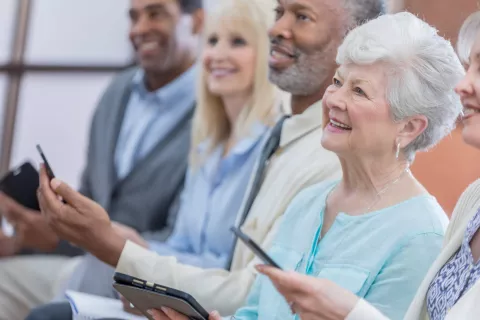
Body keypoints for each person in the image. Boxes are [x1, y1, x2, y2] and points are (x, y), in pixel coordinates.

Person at [35, 0, 387, 316]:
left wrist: (118, 247)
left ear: (353, 44)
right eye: (279, 12)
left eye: (302, 16)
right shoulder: (274, 139)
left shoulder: (328, 157)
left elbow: (255, 291)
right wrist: (117, 241)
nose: (277, 28)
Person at [25, 0, 281, 318]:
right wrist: (122, 239)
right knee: (69, 295)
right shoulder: (207, 148)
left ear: (269, 55)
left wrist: (134, 252)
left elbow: (234, 272)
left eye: (238, 42)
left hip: (210, 302)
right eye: (213, 41)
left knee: (54, 312)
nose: (217, 55)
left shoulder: (272, 150)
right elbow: (180, 243)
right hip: (171, 287)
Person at [257, 10, 480, 320]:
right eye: (337, 81)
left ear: (409, 128)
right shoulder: (308, 201)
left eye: (358, 91)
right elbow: (254, 312)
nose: (334, 99)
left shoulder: (420, 237)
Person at [0, 0, 204, 319]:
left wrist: (70, 237)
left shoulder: (214, 110)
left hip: (141, 276)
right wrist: (40, 233)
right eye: (134, 17)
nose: (138, 29)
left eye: (156, 14)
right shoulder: (118, 90)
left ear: (196, 21)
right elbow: (91, 195)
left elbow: (185, 238)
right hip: (85, 260)